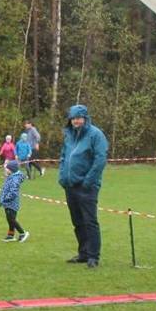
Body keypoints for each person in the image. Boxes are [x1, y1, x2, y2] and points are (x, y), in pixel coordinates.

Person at [58, 104, 108, 266]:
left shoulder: (96, 135)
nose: (75, 121)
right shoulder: (69, 135)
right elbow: (64, 157)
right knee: (77, 221)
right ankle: (83, 253)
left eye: (78, 118)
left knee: (90, 221)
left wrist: (88, 181)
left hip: (87, 187)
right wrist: (62, 177)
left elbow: (100, 160)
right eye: (73, 118)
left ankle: (94, 256)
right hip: (70, 186)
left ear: (85, 118)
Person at [0, 159, 29, 243]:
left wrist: (6, 198)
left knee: (11, 219)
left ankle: (23, 233)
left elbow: (13, 192)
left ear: (11, 169)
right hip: (8, 203)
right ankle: (10, 235)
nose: (5, 170)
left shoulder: (15, 179)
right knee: (10, 219)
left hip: (11, 203)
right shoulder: (11, 177)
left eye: (7, 169)